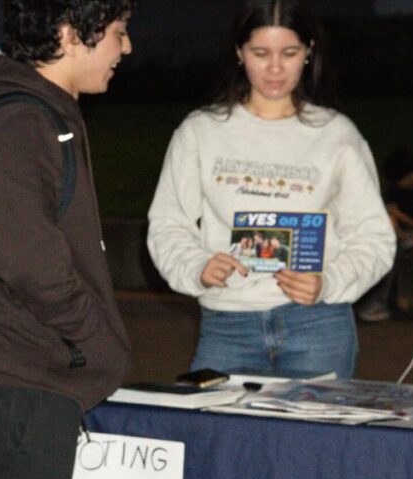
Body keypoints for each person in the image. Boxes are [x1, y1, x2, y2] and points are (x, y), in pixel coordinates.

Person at [0, 1, 135, 479]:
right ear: (72, 35)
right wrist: (98, 343)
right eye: (119, 32)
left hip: (25, 380)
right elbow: (32, 264)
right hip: (10, 388)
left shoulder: (40, 114)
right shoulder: (19, 122)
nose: (127, 48)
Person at [147, 0, 394, 379]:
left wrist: (328, 283)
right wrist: (197, 267)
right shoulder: (200, 131)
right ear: (239, 53)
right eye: (260, 53)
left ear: (309, 52)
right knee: (219, 439)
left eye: (289, 53)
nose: (275, 68)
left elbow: (374, 238)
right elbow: (168, 223)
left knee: (311, 441)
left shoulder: (337, 135)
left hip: (318, 325)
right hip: (227, 326)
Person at [357, 149, 413, 322]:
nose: (398, 183)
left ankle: (387, 300)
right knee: (387, 249)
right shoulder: (395, 189)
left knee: (408, 251)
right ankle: (375, 303)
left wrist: (400, 216)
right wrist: (398, 232)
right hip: (402, 237)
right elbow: (389, 218)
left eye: (401, 179)